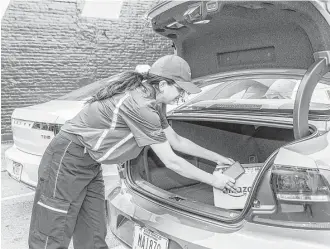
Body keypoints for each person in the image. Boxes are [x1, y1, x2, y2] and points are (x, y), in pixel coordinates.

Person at [28, 55, 237, 249]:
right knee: (53, 227)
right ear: (163, 84)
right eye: (180, 89)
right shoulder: (141, 105)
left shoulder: (156, 102)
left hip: (90, 161)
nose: (182, 94)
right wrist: (215, 181)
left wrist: (219, 158)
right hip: (67, 157)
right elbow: (172, 162)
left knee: (92, 228)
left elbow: (177, 141)